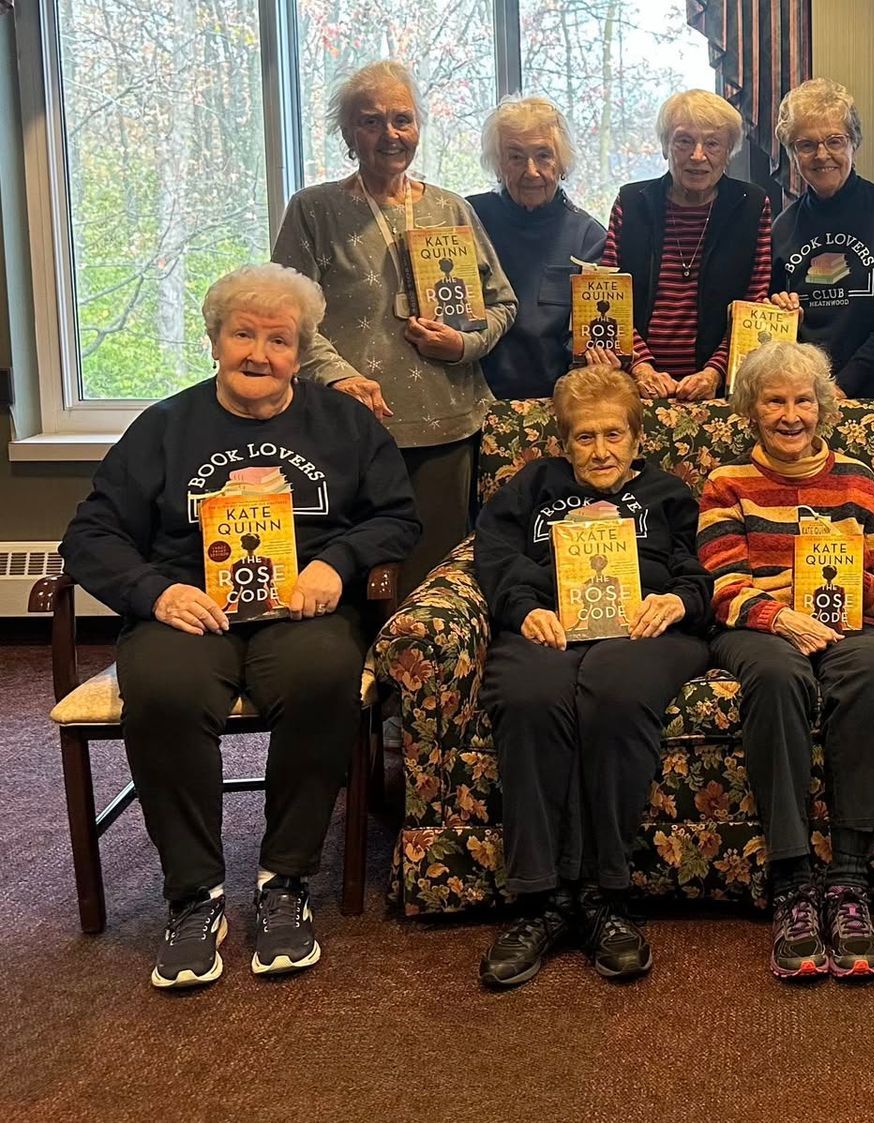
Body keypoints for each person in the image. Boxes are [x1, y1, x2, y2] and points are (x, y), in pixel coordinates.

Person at [59, 263, 421, 989]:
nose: (259, 352)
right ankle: (194, 895)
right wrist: (154, 592)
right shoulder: (165, 426)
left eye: (279, 339)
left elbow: (396, 515)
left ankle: (285, 880)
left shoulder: (343, 423)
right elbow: (91, 534)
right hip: (190, 608)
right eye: (243, 334)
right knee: (162, 688)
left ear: (301, 350)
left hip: (302, 606)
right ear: (214, 339)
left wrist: (339, 564)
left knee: (323, 678)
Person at [472, 351, 713, 988]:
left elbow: (700, 570)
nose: (601, 450)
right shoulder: (533, 487)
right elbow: (493, 557)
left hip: (645, 628)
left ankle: (607, 895)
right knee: (528, 691)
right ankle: (542, 901)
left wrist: (678, 600)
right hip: (549, 624)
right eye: (585, 435)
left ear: (638, 437)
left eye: (614, 434)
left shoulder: (667, 495)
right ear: (564, 441)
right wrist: (523, 610)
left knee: (612, 687)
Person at [697, 341, 874, 979]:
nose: (791, 415)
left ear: (823, 407)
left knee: (872, 666)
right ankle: (791, 879)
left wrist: (858, 592)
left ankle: (848, 878)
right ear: (751, 410)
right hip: (760, 625)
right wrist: (779, 615)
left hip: (848, 622)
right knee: (775, 673)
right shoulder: (726, 483)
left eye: (803, 400)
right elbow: (722, 585)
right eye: (775, 401)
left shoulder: (858, 480)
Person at [272, 60, 515, 595]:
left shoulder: (451, 208)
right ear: (347, 133)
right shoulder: (314, 210)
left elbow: (501, 303)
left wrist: (462, 345)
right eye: (370, 121)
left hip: (445, 422)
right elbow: (285, 317)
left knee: (434, 575)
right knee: (348, 572)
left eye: (402, 119)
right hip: (348, 424)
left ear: (419, 128)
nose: (389, 135)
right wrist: (339, 378)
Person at [600, 89, 772, 402]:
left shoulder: (752, 205)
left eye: (712, 143)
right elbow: (611, 299)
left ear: (728, 151)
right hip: (635, 387)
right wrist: (641, 367)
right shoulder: (630, 202)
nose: (697, 155)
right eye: (684, 141)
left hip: (718, 388)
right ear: (666, 146)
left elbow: (755, 302)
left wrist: (714, 372)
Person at [768, 79, 874, 398]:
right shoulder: (782, 227)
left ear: (853, 143)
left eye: (835, 141)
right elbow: (776, 327)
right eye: (806, 145)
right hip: (805, 399)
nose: (821, 155)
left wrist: (842, 386)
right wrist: (780, 313)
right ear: (791, 152)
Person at [468, 96, 609, 400]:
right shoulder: (467, 219)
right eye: (516, 157)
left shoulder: (589, 237)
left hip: (557, 399)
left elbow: (589, 336)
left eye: (544, 156)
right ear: (497, 165)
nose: (531, 171)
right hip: (472, 397)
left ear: (562, 164)